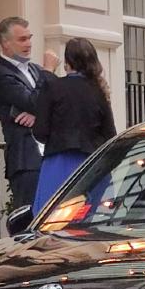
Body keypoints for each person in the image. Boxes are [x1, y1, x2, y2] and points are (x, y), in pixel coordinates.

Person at [31, 38, 117, 214]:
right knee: (92, 220)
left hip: (59, 163)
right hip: (92, 165)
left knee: (53, 220)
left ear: (67, 63)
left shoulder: (53, 86)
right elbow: (110, 135)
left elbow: (40, 132)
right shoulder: (99, 91)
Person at [0, 17, 58, 212]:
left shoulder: (35, 70)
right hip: (26, 160)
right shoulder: (0, 74)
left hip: (50, 156)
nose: (28, 44)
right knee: (30, 219)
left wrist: (37, 116)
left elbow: (59, 104)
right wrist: (49, 70)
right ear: (5, 44)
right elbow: (33, 102)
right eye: (22, 39)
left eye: (29, 38)